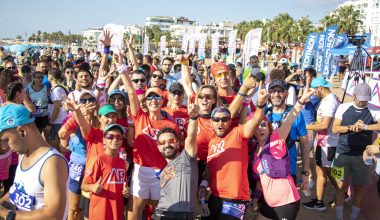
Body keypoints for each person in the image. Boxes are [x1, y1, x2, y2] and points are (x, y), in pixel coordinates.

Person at [200, 88, 268, 220]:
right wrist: (203, 185)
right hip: (214, 197)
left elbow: (254, 121)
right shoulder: (212, 142)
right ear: (211, 122)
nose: (220, 123)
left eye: (225, 119)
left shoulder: (238, 133)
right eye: (216, 119)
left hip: (235, 199)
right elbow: (210, 168)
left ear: (230, 122)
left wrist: (260, 105)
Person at [119, 70, 178, 220]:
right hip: (141, 171)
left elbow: (174, 152)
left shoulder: (171, 125)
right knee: (133, 214)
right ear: (144, 101)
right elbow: (132, 94)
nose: (153, 100)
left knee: (162, 213)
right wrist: (123, 73)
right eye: (149, 97)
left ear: (162, 100)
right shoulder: (139, 116)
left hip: (162, 172)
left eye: (157, 96)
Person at [253, 88, 314, 220]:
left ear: (269, 127)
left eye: (263, 124)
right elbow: (260, 180)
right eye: (257, 125)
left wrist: (301, 102)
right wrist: (255, 198)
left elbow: (289, 120)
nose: (260, 128)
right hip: (268, 202)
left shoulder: (276, 139)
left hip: (286, 202)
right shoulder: (255, 150)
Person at [0, 104, 68, 219]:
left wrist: (7, 214)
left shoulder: (52, 163)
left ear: (22, 131)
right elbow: (17, 190)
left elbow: (54, 215)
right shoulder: (24, 154)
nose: (4, 147)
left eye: (5, 140)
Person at [332, 83, 380, 220]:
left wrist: (365, 126)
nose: (363, 101)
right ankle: (339, 217)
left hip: (363, 156)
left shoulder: (374, 110)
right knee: (340, 186)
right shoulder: (343, 107)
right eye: (360, 98)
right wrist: (351, 127)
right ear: (353, 96)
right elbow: (335, 129)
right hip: (342, 153)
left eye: (366, 99)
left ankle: (353, 217)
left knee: (360, 188)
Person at [153, 101, 200, 220]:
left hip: (183, 216)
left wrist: (193, 118)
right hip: (161, 214)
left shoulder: (187, 158)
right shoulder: (163, 172)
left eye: (171, 141)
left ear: (178, 143)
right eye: (162, 143)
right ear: (158, 147)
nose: (167, 145)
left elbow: (191, 138)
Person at [302, 77, 340, 211]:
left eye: (314, 90)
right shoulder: (330, 98)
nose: (313, 93)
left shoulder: (329, 102)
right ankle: (339, 194)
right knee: (325, 171)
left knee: (322, 172)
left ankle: (320, 202)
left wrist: (307, 126)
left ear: (320, 88)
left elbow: (325, 124)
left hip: (328, 142)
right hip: (327, 141)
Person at [264, 79, 310, 185]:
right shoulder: (264, 114)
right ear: (268, 93)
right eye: (273, 91)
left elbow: (304, 144)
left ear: (287, 94)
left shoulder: (296, 114)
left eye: (280, 91)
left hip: (288, 171)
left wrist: (305, 172)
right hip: (265, 170)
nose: (276, 94)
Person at [82, 123, 130, 220]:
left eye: (118, 137)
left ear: (121, 141)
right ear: (104, 140)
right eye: (110, 137)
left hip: (117, 211)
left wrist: (126, 191)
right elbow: (84, 185)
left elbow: (124, 186)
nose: (114, 140)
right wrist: (92, 187)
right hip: (100, 212)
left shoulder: (123, 163)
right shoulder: (98, 160)